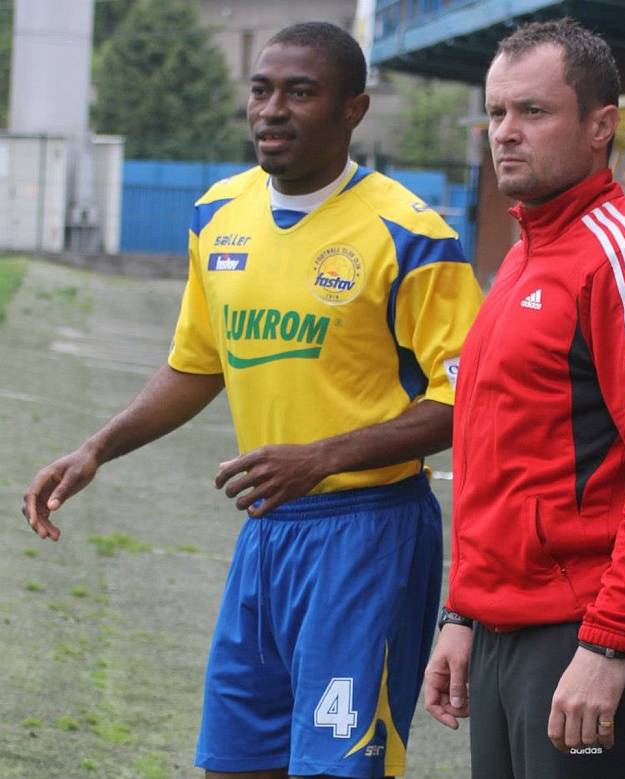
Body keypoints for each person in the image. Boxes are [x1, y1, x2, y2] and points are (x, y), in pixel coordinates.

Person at [22, 22, 483, 779]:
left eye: (301, 92)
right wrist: (97, 447)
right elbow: (197, 365)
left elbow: (468, 402)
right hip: (267, 538)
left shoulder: (412, 234)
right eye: (262, 89)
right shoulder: (218, 213)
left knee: (339, 770)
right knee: (234, 765)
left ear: (354, 110)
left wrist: (322, 457)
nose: (272, 109)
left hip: (366, 536)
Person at [423, 18, 625, 779]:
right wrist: (463, 610)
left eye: (533, 111)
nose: (506, 133)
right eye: (496, 113)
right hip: (501, 625)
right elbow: (497, 456)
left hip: (584, 631)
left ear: (600, 126)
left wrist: (608, 641)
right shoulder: (525, 254)